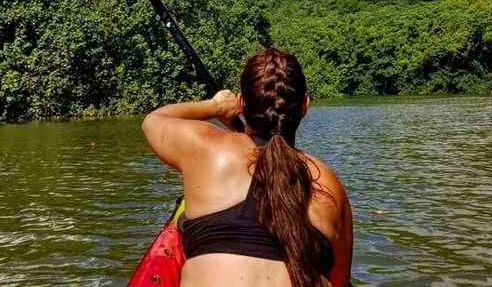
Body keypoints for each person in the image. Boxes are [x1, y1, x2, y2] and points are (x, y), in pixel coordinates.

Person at [142, 47, 353, 287]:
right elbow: (340, 281)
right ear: (305, 105)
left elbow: (153, 121)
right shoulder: (329, 183)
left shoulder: (207, 149)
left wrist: (215, 107)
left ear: (241, 103)